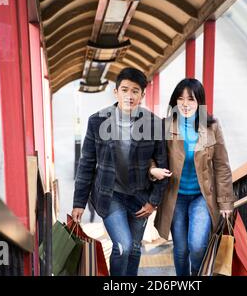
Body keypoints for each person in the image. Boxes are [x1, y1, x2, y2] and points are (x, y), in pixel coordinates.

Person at [71, 67, 168, 276]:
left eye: (135, 91)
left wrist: (154, 201)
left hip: (140, 197)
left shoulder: (154, 124)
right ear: (116, 92)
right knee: (123, 246)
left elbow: (163, 166)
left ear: (142, 95)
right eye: (124, 90)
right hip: (110, 195)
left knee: (134, 249)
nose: (129, 96)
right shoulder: (97, 121)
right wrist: (79, 202)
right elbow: (86, 163)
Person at [149, 78, 236, 276]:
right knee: (181, 250)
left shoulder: (212, 126)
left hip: (201, 197)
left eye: (191, 99)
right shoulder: (164, 126)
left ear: (200, 103)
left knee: (197, 246)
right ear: (174, 102)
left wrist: (225, 203)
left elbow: (222, 165)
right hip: (175, 196)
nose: (185, 104)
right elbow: (150, 157)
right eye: (180, 99)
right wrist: (153, 169)